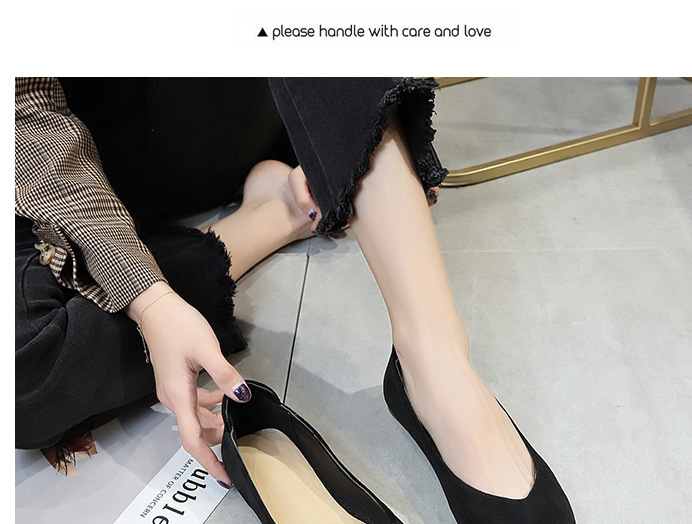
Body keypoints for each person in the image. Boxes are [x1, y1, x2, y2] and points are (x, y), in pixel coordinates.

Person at [15, 77, 534, 500]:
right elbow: (25, 107)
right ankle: (274, 216)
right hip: (55, 172)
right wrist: (150, 299)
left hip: (226, 111)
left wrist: (343, 134)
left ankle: (436, 362)